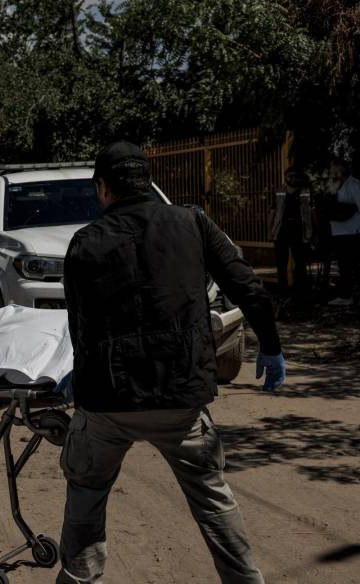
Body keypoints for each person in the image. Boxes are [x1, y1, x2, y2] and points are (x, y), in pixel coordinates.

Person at [59, 141, 285, 583]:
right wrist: (272, 348)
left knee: (86, 491)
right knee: (213, 500)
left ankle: (79, 579)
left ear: (103, 188)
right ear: (147, 181)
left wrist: (79, 379)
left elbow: (79, 325)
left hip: (108, 403)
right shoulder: (192, 222)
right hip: (180, 400)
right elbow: (248, 288)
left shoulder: (85, 242)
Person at [269, 167, 314, 298]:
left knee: (300, 263)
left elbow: (312, 212)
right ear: (285, 177)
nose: (293, 179)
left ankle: (300, 291)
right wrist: (269, 230)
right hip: (281, 232)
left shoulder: (306, 192)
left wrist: (313, 232)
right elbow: (272, 212)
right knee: (281, 264)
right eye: (290, 176)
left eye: (296, 176)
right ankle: (283, 292)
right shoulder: (278, 192)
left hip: (300, 232)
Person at [325, 157, 360, 307]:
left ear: (339, 169)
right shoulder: (335, 185)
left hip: (352, 230)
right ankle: (346, 295)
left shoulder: (354, 184)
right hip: (338, 230)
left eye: (333, 168)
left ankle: (349, 295)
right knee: (343, 265)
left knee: (352, 265)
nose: (331, 172)